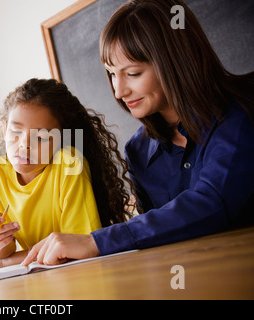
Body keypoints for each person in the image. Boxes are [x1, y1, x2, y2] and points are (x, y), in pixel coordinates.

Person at [22, 0, 254, 266]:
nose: (119, 91)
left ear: (175, 60)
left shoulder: (240, 113)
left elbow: (212, 204)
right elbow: (156, 236)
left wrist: (97, 241)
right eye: (111, 74)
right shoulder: (138, 151)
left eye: (132, 73)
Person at [0, 78, 134, 272]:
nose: (24, 144)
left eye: (41, 137)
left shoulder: (69, 165)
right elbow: (4, 251)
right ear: (5, 129)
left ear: (62, 140)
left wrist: (3, 263)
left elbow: (74, 249)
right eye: (16, 131)